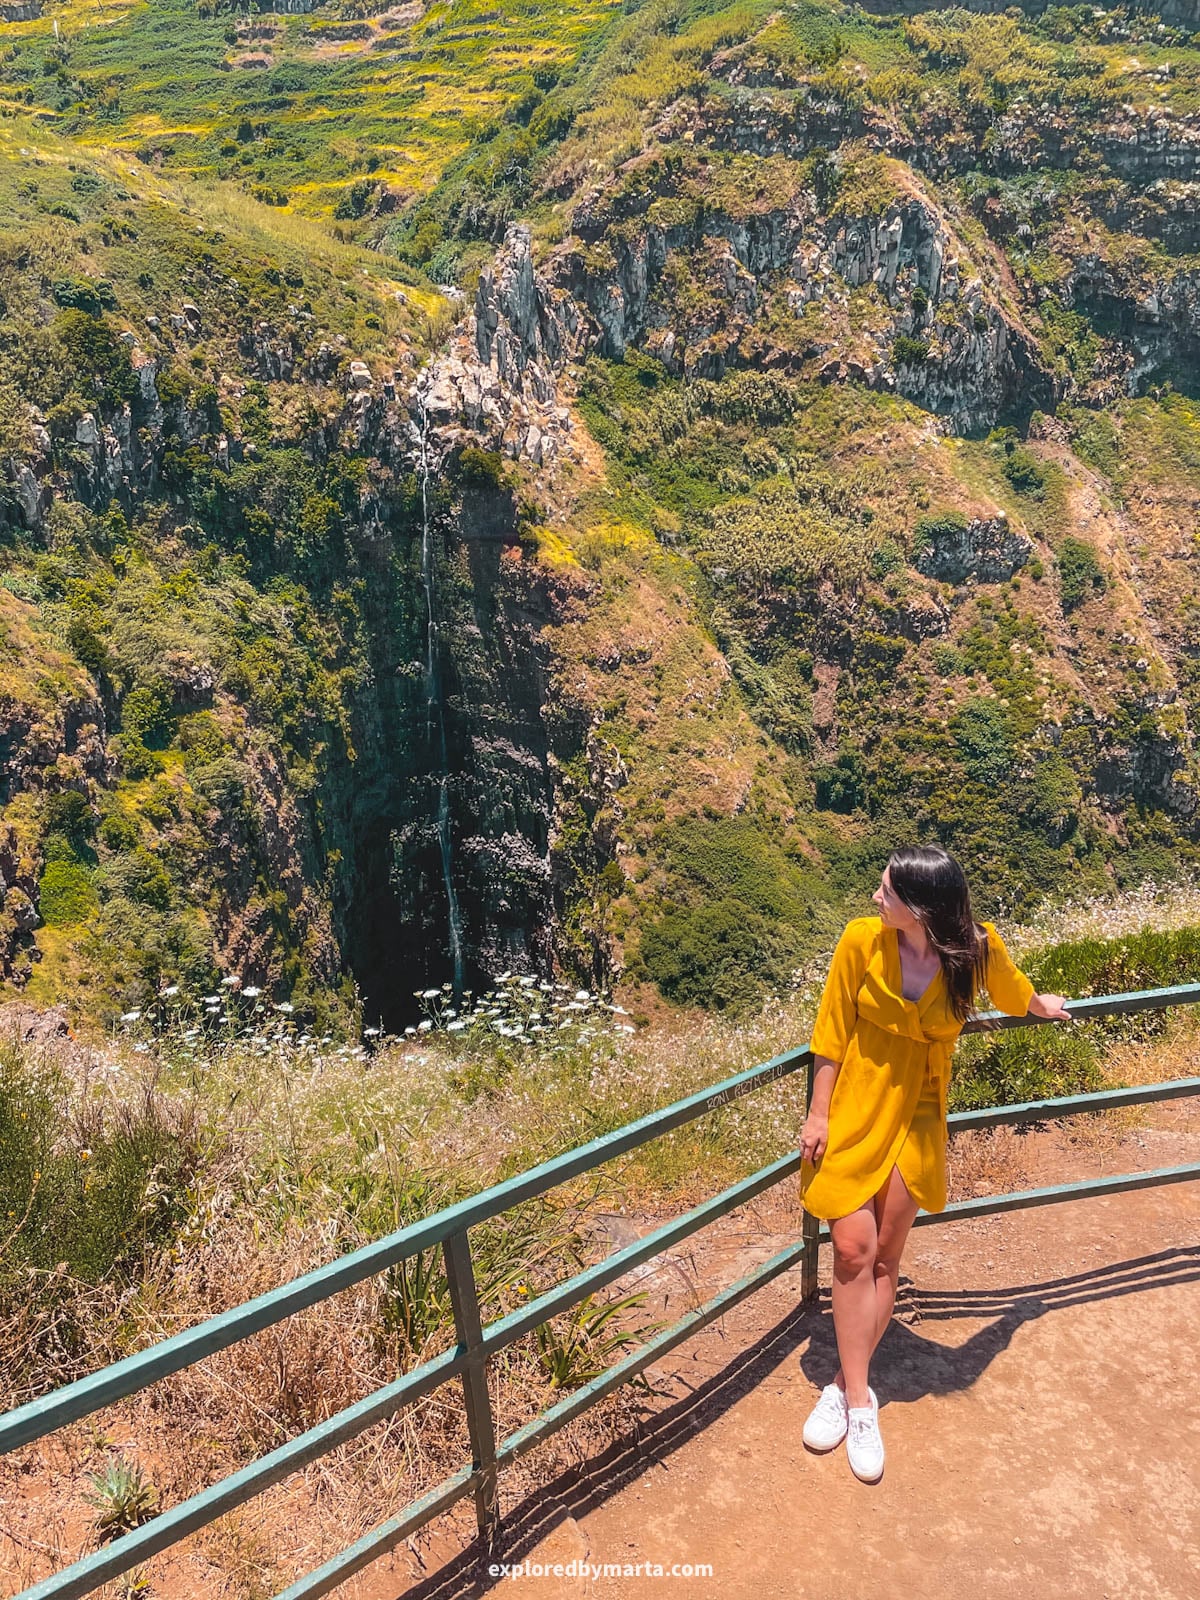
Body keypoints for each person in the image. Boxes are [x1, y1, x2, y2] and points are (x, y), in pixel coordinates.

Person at [797, 844, 1072, 1482]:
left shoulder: (972, 950)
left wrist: (1041, 1005)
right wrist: (818, 1114)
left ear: (920, 908)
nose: (875, 898)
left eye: (887, 891)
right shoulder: (860, 943)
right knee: (851, 1250)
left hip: (920, 1108)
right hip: (859, 1104)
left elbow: (1011, 990)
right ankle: (862, 1396)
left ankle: (848, 1389)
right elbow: (831, 1031)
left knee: (887, 1254)